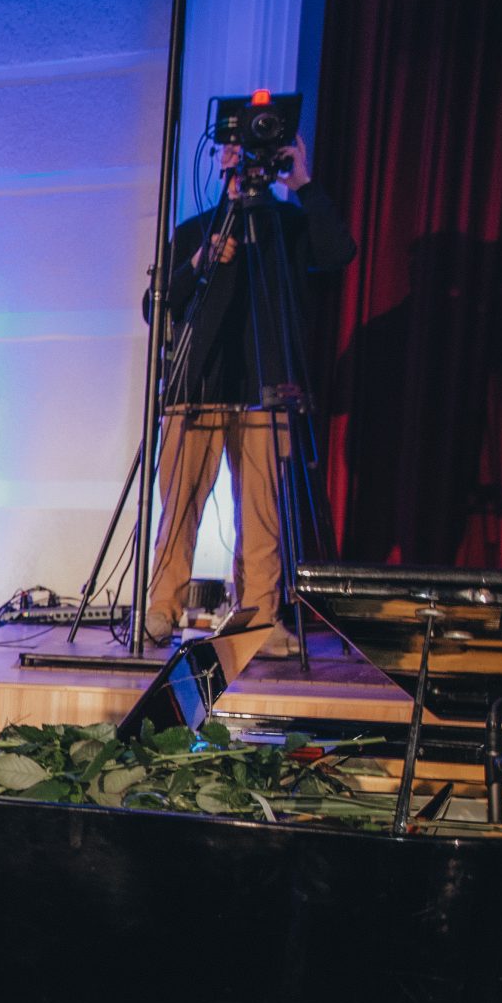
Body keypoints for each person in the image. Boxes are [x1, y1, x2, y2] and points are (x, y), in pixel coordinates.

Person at [143, 135, 355, 653]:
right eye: (233, 150)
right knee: (179, 509)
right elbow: (155, 306)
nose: (243, 161)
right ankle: (161, 609)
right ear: (221, 160)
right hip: (197, 387)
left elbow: (338, 252)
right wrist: (200, 261)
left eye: (251, 151)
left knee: (262, 516)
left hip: (266, 387)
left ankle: (257, 619)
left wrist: (302, 182)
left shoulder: (287, 225)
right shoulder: (196, 229)